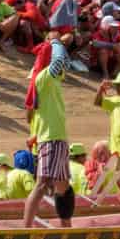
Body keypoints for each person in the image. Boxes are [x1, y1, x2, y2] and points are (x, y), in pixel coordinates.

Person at [23, 39, 77, 227]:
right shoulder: (44, 77)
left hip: (58, 138)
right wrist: (55, 42)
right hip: (52, 138)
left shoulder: (49, 81)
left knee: (64, 188)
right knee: (43, 183)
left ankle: (67, 227)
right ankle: (26, 229)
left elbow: (64, 63)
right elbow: (60, 59)